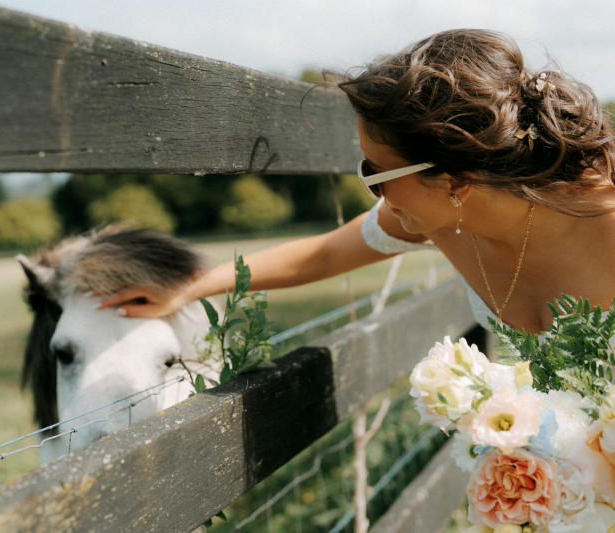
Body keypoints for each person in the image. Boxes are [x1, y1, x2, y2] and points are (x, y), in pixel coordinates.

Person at [97, 29, 615, 335]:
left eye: (375, 173)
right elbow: (321, 256)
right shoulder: (440, 217)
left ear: (455, 180)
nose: (370, 188)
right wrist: (191, 286)